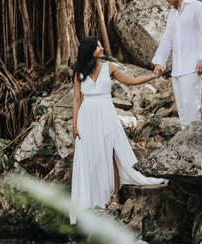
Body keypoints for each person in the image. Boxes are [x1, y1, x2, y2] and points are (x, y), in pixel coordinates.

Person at [70, 37, 166, 224]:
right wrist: (75, 125)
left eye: (101, 44)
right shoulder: (79, 72)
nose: (102, 47)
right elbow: (76, 100)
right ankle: (92, 197)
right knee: (90, 155)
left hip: (106, 113)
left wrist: (152, 76)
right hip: (87, 116)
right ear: (89, 49)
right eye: (97, 46)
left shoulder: (109, 68)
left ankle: (115, 196)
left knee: (111, 151)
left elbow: (131, 81)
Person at [151, 0, 202, 127]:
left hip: (193, 66)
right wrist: (160, 62)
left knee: (191, 106)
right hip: (178, 68)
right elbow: (167, 39)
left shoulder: (198, 8)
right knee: (182, 108)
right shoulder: (172, 15)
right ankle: (185, 143)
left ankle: (194, 143)